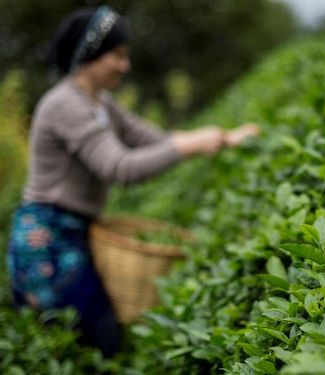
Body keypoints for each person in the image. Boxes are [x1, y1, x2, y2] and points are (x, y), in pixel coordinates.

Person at [5, 5, 259, 358]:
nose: (125, 66)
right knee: (84, 341)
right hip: (47, 238)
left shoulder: (102, 104)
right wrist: (187, 146)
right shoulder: (64, 104)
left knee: (98, 338)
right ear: (91, 55)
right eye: (118, 56)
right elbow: (120, 168)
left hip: (78, 231)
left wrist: (223, 137)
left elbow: (153, 139)